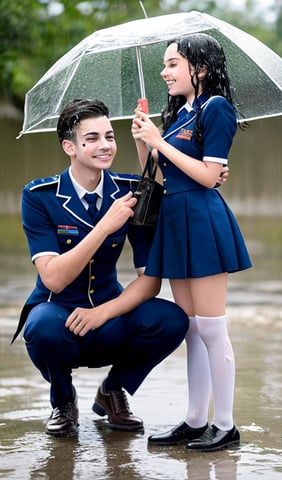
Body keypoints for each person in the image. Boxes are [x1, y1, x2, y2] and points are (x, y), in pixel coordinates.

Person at [11, 98, 190, 438]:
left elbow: (149, 281)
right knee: (40, 327)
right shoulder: (39, 196)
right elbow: (53, 278)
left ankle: (113, 391)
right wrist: (103, 227)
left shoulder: (132, 191)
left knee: (172, 319)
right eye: (92, 138)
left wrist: (102, 313)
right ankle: (63, 401)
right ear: (70, 147)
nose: (105, 145)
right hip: (58, 316)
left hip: (109, 315)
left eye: (110, 135)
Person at [131, 33, 252, 452]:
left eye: (172, 64)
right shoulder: (178, 114)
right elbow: (159, 174)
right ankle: (196, 420)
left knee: (213, 328)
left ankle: (226, 424)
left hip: (202, 219)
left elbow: (207, 175)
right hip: (175, 219)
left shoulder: (216, 108)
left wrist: (160, 142)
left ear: (199, 68)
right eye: (163, 65)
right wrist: (143, 139)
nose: (164, 72)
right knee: (192, 329)